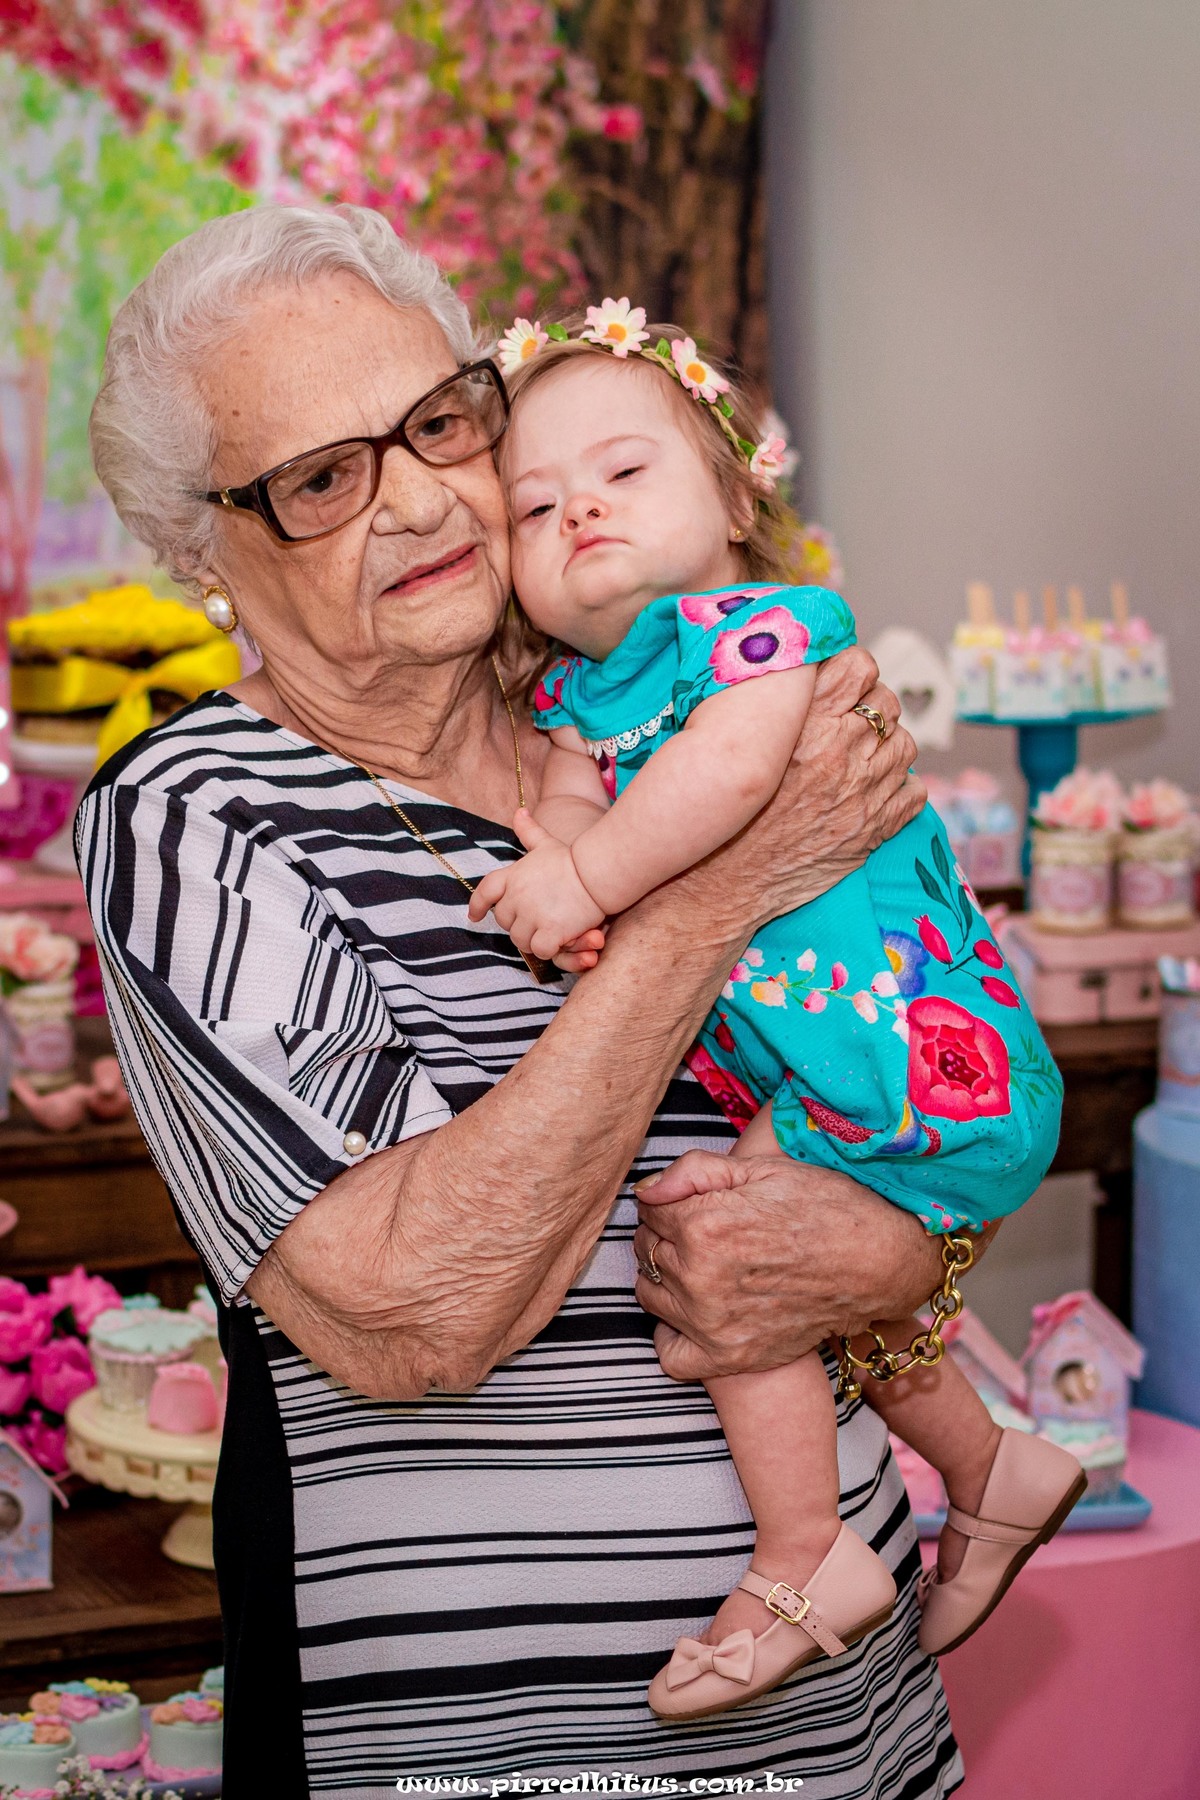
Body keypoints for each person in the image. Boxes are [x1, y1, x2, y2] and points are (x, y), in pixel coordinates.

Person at [81, 201, 964, 1798]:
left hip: (854, 1719)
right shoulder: (196, 815)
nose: (421, 496)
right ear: (205, 548)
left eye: (436, 420)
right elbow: (419, 1313)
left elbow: (917, 1076)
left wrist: (900, 1244)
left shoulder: (637, 704)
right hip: (505, 1748)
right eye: (323, 477)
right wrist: (706, 904)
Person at [473, 312, 1080, 1719]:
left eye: (623, 472)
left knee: (726, 1261)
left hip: (922, 1056)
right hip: (833, 1078)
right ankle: (996, 1469)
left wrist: (585, 872)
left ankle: (806, 1552)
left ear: (738, 502)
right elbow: (576, 799)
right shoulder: (585, 697)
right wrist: (555, 865)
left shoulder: (760, 633)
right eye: (537, 505)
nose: (581, 512)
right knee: (793, 1283)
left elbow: (730, 782)